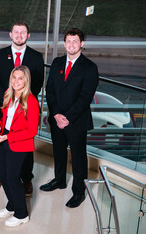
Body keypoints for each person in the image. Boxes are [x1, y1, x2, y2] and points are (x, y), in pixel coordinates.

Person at [40, 28, 99, 208]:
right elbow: (50, 91)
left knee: (78, 157)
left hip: (76, 121)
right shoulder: (57, 63)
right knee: (58, 151)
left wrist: (67, 117)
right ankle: (59, 180)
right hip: (57, 119)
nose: (71, 44)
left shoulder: (89, 67)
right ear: (64, 43)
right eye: (68, 41)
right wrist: (57, 114)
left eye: (75, 41)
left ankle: (79, 192)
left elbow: (85, 97)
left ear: (81, 44)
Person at [0, 21, 44, 194]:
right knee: (1, 145)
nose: (19, 35)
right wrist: (6, 99)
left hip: (26, 107)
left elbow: (37, 83)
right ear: (10, 35)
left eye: (23, 32)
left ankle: (26, 178)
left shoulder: (36, 57)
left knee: (25, 144)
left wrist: (23, 101)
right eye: (16, 32)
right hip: (2, 104)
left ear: (28, 36)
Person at [0, 66, 39, 227]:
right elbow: (5, 119)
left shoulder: (31, 101)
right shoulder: (8, 95)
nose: (16, 81)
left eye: (20, 78)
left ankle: (21, 214)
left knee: (12, 178)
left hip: (19, 142)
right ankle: (12, 204)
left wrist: (8, 136)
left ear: (26, 80)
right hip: (4, 137)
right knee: (2, 175)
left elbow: (32, 130)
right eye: (14, 77)